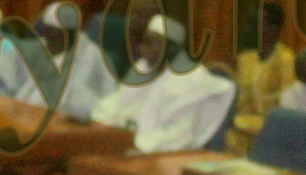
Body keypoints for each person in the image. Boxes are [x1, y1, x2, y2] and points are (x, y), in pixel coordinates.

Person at [92, 17, 238, 155]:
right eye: (144, 42)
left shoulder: (191, 80)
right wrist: (103, 124)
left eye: (150, 44)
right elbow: (115, 103)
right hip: (125, 146)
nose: (142, 50)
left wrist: (134, 142)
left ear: (171, 49)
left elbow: (180, 136)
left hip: (162, 157)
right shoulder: (144, 67)